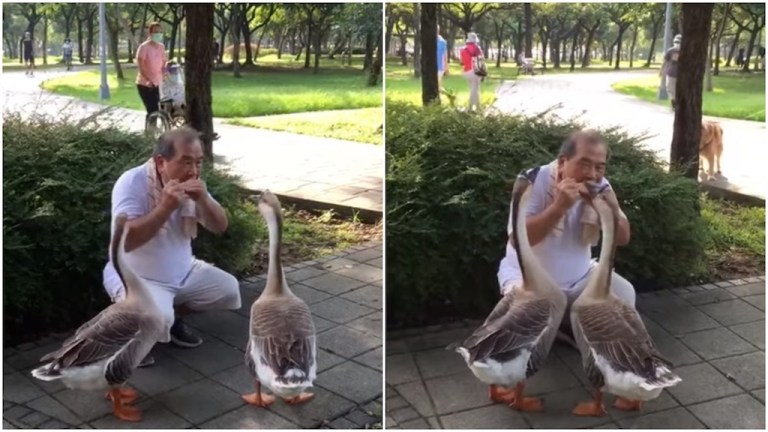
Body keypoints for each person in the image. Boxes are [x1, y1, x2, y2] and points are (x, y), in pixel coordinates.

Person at [102, 127, 241, 367]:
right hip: (136, 276)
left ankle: (172, 319)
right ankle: (133, 337)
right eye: (186, 162)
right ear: (160, 161)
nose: (193, 171)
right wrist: (165, 207)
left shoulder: (193, 184)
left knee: (228, 289)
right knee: (158, 317)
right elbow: (126, 241)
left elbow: (220, 226)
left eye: (198, 163)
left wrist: (205, 200)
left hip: (184, 270)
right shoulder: (132, 182)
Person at [497, 130, 634, 347]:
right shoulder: (534, 180)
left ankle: (572, 327)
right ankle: (558, 326)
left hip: (581, 278)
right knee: (521, 348)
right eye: (584, 164)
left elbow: (624, 237)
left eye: (599, 167)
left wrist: (599, 209)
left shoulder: (602, 187)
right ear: (563, 161)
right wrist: (559, 206)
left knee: (624, 295)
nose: (592, 174)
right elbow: (518, 239)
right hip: (528, 282)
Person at [136, 22, 168, 125]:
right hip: (145, 84)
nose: (158, 34)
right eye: (155, 32)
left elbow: (164, 63)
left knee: (159, 109)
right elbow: (141, 67)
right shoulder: (144, 47)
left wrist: (166, 73)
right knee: (152, 109)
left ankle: (155, 132)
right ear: (150, 33)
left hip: (158, 83)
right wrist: (148, 80)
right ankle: (149, 135)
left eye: (159, 32)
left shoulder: (161, 47)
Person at [460, 32, 484, 111]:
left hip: (466, 71)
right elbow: (481, 61)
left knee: (473, 88)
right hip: (475, 71)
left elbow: (462, 62)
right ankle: (470, 107)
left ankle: (478, 106)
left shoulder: (463, 50)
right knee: (474, 89)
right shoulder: (477, 49)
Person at [660, 34, 681, 110]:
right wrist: (662, 71)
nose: (677, 44)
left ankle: (675, 103)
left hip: (676, 74)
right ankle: (674, 103)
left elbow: (665, 62)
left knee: (673, 89)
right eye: (676, 42)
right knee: (671, 89)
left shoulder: (685, 52)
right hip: (673, 73)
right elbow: (665, 62)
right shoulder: (671, 51)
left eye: (678, 42)